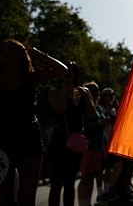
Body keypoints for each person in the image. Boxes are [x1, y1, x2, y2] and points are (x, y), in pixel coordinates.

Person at [0, 40, 67, 206]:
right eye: (3, 49)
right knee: (2, 199)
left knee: (27, 199)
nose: (4, 52)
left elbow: (62, 70)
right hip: (0, 143)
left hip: (29, 140)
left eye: (10, 49)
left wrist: (38, 53)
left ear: (21, 55)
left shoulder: (30, 78)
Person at [47, 61, 95, 206]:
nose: (68, 74)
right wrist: (63, 88)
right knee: (56, 182)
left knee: (70, 182)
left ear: (76, 74)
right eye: (66, 70)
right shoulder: (53, 92)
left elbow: (92, 115)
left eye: (71, 71)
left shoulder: (82, 93)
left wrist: (87, 97)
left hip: (76, 142)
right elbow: (61, 108)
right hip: (58, 140)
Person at [77, 81, 106, 206]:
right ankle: (83, 203)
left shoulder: (98, 107)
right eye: (93, 91)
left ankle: (87, 202)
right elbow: (85, 127)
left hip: (98, 147)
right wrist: (99, 123)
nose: (96, 93)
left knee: (92, 176)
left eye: (97, 90)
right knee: (85, 178)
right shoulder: (82, 108)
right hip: (87, 147)